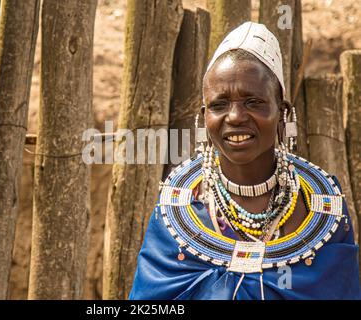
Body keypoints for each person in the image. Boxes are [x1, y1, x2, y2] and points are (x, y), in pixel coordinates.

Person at [128, 21, 361, 300]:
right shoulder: (177, 208)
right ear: (204, 117)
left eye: (253, 102)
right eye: (219, 104)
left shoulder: (323, 210)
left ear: (282, 113)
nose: (236, 117)